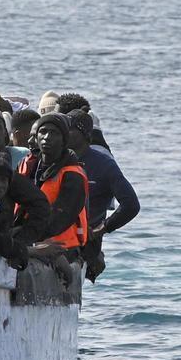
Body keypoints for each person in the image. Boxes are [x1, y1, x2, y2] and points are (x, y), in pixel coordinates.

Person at [65, 109, 139, 281]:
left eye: (69, 128)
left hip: (85, 242)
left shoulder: (104, 164)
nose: (63, 132)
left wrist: (102, 229)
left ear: (84, 134)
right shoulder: (55, 159)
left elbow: (131, 205)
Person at [18, 113, 89, 254]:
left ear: (64, 140)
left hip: (62, 247)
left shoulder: (73, 174)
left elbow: (60, 218)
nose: (47, 137)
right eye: (43, 132)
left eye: (54, 133)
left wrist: (23, 239)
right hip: (31, 239)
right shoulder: (30, 166)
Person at [0, 150, 51, 267]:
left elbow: (41, 206)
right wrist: (25, 250)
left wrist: (22, 240)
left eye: (3, 180)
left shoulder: (3, 206)